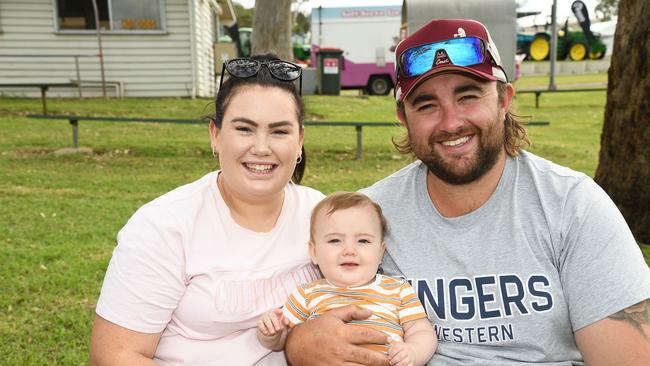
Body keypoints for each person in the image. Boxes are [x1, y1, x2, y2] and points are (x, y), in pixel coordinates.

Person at [285, 19, 650, 365]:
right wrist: (299, 344)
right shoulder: (370, 215)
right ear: (403, 117)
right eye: (427, 105)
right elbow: (320, 317)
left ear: (504, 99)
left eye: (468, 96)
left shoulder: (572, 206)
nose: (451, 122)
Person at [89, 54, 325, 365]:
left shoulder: (321, 214)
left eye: (280, 131)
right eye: (244, 129)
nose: (261, 147)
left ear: (299, 141)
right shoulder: (164, 225)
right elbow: (113, 356)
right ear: (215, 135)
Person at [257, 192, 437, 366]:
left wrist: (413, 352)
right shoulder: (307, 294)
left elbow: (421, 331)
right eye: (335, 240)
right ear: (314, 252)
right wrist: (272, 333)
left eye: (363, 241)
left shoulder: (397, 289)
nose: (349, 250)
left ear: (381, 252)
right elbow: (283, 340)